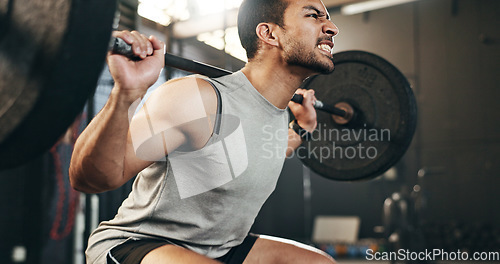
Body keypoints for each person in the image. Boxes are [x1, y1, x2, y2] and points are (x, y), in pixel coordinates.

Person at [70, 0, 339, 263]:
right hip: (141, 244)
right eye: (314, 15)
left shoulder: (276, 113)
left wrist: (302, 129)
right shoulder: (199, 99)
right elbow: (89, 179)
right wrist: (127, 94)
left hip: (222, 248)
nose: (331, 28)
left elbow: (260, 153)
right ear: (269, 34)